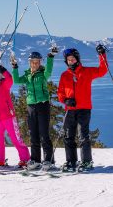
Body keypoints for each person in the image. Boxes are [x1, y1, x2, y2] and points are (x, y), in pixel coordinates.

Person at [57, 44, 108, 172]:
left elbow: (102, 70)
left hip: (84, 109)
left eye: (73, 59)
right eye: (68, 60)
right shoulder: (64, 75)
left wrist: (102, 55)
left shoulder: (87, 71)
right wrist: (65, 100)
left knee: (83, 136)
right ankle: (71, 162)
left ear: (77, 59)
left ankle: (86, 162)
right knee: (68, 136)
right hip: (70, 109)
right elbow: (60, 93)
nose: (71, 61)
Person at [12, 47, 58, 171]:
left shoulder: (43, 74)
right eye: (33, 61)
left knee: (44, 134)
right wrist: (15, 67)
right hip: (31, 105)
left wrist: (50, 57)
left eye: (37, 62)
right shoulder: (27, 75)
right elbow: (16, 80)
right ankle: (36, 160)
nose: (35, 64)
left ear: (40, 63)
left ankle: (48, 160)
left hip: (43, 105)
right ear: (29, 62)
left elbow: (49, 70)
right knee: (33, 134)